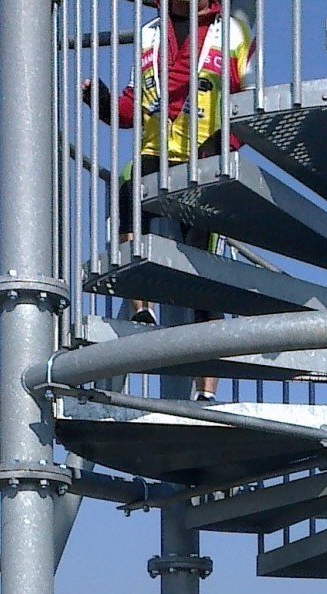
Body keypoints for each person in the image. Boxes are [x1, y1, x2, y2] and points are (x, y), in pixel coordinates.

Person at [82, 0, 255, 401]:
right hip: (155, 153)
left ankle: (206, 392)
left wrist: (224, 147)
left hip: (206, 158)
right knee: (129, 206)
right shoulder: (149, 34)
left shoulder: (232, 32)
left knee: (206, 273)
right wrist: (101, 100)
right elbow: (131, 109)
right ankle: (143, 307)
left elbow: (245, 102)